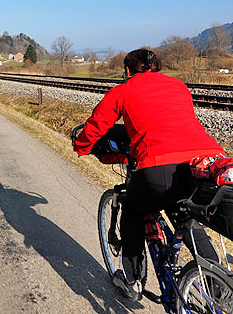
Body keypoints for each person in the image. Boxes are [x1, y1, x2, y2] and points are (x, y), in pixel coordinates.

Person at [73, 49, 224, 300]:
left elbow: (98, 125)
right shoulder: (178, 86)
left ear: (128, 71)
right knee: (185, 219)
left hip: (158, 165)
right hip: (205, 162)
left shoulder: (122, 91)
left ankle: (132, 281)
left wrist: (81, 147)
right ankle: (219, 286)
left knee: (133, 209)